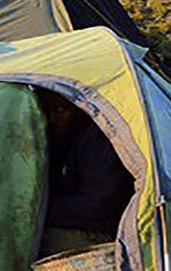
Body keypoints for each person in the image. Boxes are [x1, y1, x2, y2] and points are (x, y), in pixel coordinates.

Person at [37, 89, 134, 257]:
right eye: (45, 111)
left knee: (33, 241)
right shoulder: (58, 141)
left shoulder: (98, 139)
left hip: (103, 233)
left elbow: (96, 204)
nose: (52, 120)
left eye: (60, 110)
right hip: (77, 224)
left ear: (80, 110)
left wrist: (36, 212)